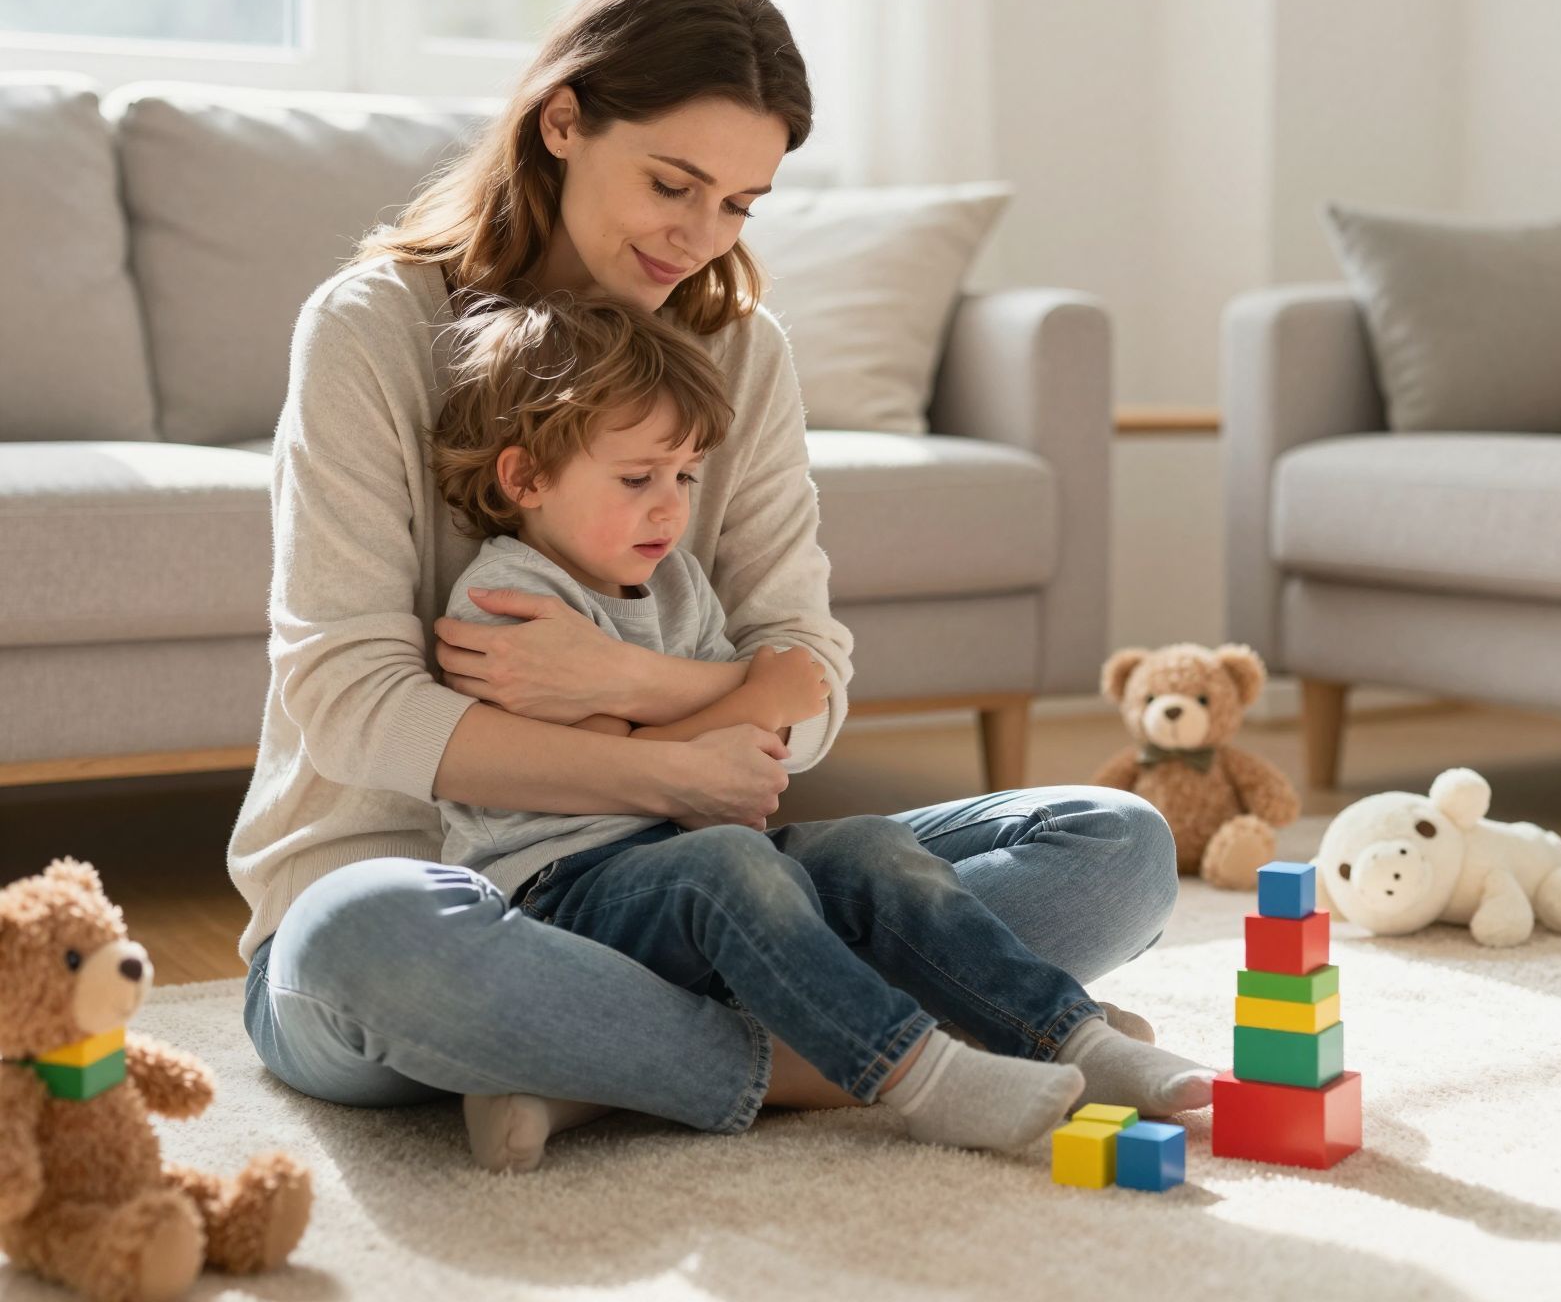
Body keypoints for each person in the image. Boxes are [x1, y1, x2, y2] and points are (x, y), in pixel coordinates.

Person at [227, 0, 1182, 1172]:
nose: (698, 236)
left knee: (1114, 845)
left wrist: (629, 685)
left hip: (690, 886)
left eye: (738, 203)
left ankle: (593, 1062)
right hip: (433, 896)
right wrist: (676, 771)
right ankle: (828, 1059)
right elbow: (353, 707)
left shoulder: (738, 352)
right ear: (562, 122)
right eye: (671, 184)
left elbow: (808, 677)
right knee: (364, 941)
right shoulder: (373, 329)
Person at [424, 294, 1211, 1169]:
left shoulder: (677, 586)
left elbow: (741, 746)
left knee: (870, 848)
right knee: (733, 865)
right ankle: (922, 1076)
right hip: (562, 894)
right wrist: (747, 698)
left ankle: (1072, 1038)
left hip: (701, 858)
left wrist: (712, 718)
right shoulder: (507, 601)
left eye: (685, 477)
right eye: (638, 479)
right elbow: (622, 765)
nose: (670, 509)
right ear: (526, 478)